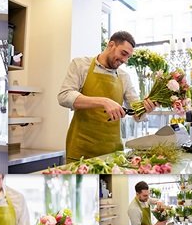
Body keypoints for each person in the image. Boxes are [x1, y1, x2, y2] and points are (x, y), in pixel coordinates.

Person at [57, 31, 155, 163]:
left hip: (112, 151)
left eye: (128, 57)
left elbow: (137, 116)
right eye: (123, 53)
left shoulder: (124, 77)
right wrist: (103, 101)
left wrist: (146, 108)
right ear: (111, 45)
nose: (124, 60)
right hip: (81, 148)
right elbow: (64, 96)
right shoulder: (80, 65)